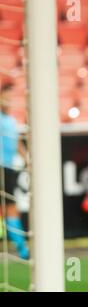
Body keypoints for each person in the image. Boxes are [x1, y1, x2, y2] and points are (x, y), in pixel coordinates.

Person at [0, 89, 29, 260]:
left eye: (9, 99)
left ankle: (21, 247)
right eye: (4, 98)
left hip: (7, 169)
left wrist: (27, 159)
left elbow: (18, 143)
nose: (7, 102)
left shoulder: (11, 121)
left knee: (11, 207)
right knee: (10, 208)